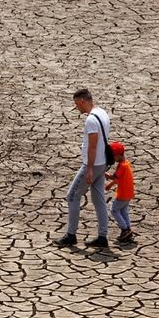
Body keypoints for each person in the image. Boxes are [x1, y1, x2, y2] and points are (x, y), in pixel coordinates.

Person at [54, 89, 112, 250]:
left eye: (76, 104)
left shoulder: (91, 120)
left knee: (72, 196)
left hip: (92, 164)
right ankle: (102, 236)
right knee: (98, 199)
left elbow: (92, 146)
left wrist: (89, 169)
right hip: (102, 162)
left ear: (82, 101)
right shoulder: (102, 113)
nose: (76, 108)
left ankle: (71, 235)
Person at [105, 142, 135, 244]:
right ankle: (128, 229)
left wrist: (103, 173)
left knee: (114, 210)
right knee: (123, 211)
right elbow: (118, 179)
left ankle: (125, 229)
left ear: (117, 155)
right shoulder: (126, 163)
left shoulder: (122, 166)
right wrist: (110, 185)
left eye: (112, 156)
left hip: (123, 194)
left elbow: (114, 177)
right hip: (128, 193)